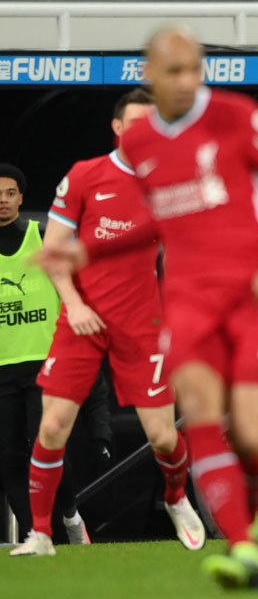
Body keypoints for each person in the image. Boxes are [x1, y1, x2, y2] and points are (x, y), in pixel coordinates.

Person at [34, 26, 258, 589]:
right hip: (188, 299)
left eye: (195, 68)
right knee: (198, 413)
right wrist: (85, 247)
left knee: (249, 432)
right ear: (147, 75)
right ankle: (244, 550)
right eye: (173, 70)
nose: (187, 81)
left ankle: (249, 522)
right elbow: (160, 220)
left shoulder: (239, 116)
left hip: (255, 292)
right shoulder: (143, 146)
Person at [11, 89, 207, 557]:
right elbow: (54, 246)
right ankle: (41, 533)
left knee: (162, 435)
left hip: (142, 324)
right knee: (52, 426)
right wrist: (74, 306)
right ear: (118, 128)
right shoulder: (85, 175)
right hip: (81, 320)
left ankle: (176, 498)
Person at [0, 164, 100, 545]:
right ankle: (33, 535)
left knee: (46, 445)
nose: (3, 200)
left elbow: (76, 296)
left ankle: (71, 516)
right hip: (2, 369)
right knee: (8, 458)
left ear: (21, 198)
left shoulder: (42, 241)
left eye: (10, 193)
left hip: (44, 364)